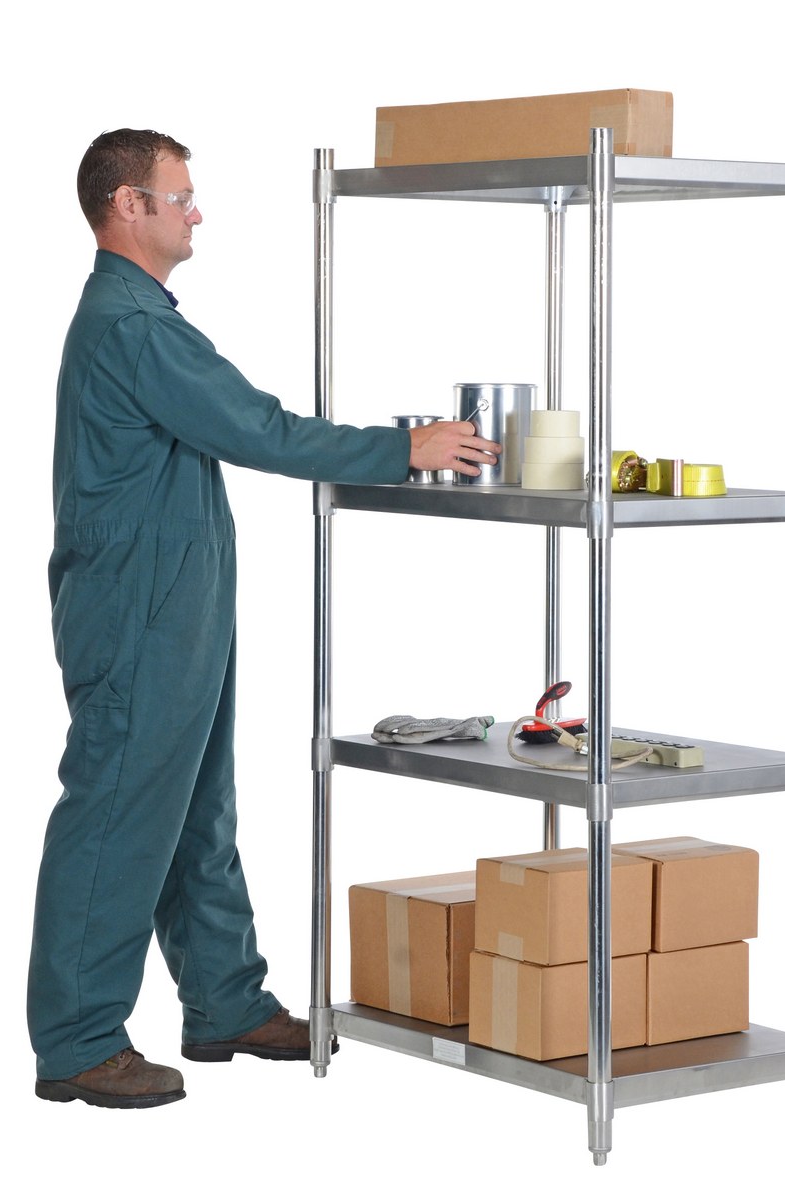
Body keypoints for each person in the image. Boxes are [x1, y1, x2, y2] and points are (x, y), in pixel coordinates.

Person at [28, 128, 500, 1109]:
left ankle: (225, 1002)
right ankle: (77, 1041)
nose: (196, 212)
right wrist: (404, 448)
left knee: (197, 805)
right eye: (179, 196)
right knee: (118, 808)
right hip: (139, 607)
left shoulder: (142, 319)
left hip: (174, 602)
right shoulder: (132, 327)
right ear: (128, 206)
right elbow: (258, 428)